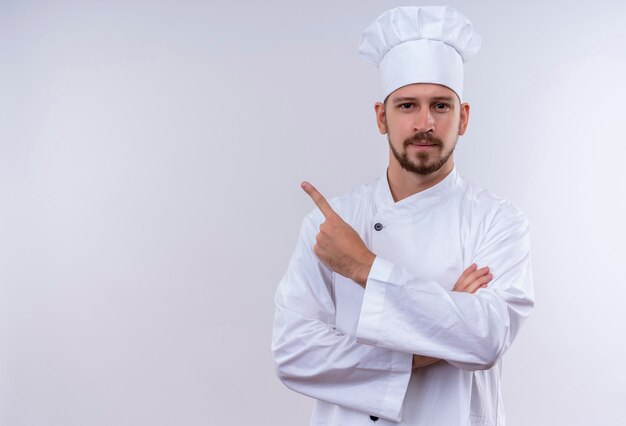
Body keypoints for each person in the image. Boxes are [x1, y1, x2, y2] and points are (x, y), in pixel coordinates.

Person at [271, 5, 534, 425]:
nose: (424, 123)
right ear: (382, 117)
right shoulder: (335, 223)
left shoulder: (498, 221)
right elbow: (295, 354)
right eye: (408, 105)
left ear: (463, 117)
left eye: (442, 106)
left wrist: (364, 267)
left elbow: (486, 338)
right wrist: (441, 335)